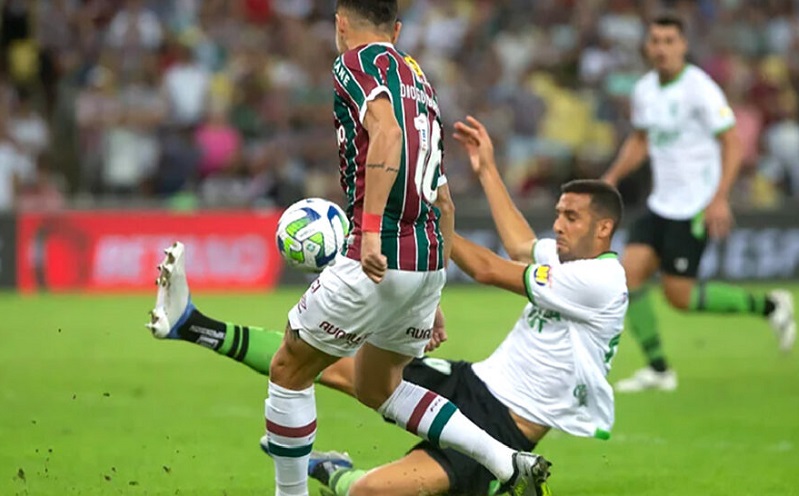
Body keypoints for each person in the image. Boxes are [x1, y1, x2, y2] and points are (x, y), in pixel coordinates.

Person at [147, 2, 549, 495]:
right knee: (378, 387)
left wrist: (374, 232)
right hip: (423, 259)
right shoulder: (419, 81)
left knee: (290, 367)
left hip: (379, 253)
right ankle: (506, 461)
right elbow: (440, 193)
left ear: (341, 22)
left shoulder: (358, 62)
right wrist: (432, 292)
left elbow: (387, 134)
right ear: (397, 28)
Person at [145, 116, 624, 495]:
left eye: (571, 217)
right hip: (473, 381)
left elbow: (489, 270)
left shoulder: (600, 280)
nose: (557, 225)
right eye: (558, 214)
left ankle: (334, 472)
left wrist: (427, 224)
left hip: (508, 424)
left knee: (369, 493)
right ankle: (191, 324)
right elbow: (522, 246)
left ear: (603, 230)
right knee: (319, 360)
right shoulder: (566, 261)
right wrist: (488, 171)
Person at [602, 13, 796, 393]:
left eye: (669, 41)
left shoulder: (699, 88)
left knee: (681, 297)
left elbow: (733, 142)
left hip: (694, 206)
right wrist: (612, 177)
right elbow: (641, 140)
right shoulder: (644, 89)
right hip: (660, 204)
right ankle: (659, 369)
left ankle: (771, 306)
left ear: (683, 46)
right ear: (647, 46)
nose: (661, 48)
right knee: (629, 277)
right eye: (655, 41)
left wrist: (719, 198)